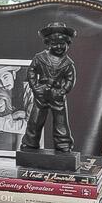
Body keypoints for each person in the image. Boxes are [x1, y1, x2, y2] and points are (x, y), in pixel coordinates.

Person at [21, 25, 78, 153]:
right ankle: (30, 143)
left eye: (62, 44)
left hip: (57, 95)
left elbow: (70, 79)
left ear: (68, 44)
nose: (59, 47)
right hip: (41, 94)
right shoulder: (39, 58)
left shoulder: (68, 63)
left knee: (61, 122)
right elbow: (31, 71)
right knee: (35, 120)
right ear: (48, 44)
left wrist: (62, 91)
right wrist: (35, 87)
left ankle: (63, 144)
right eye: (54, 44)